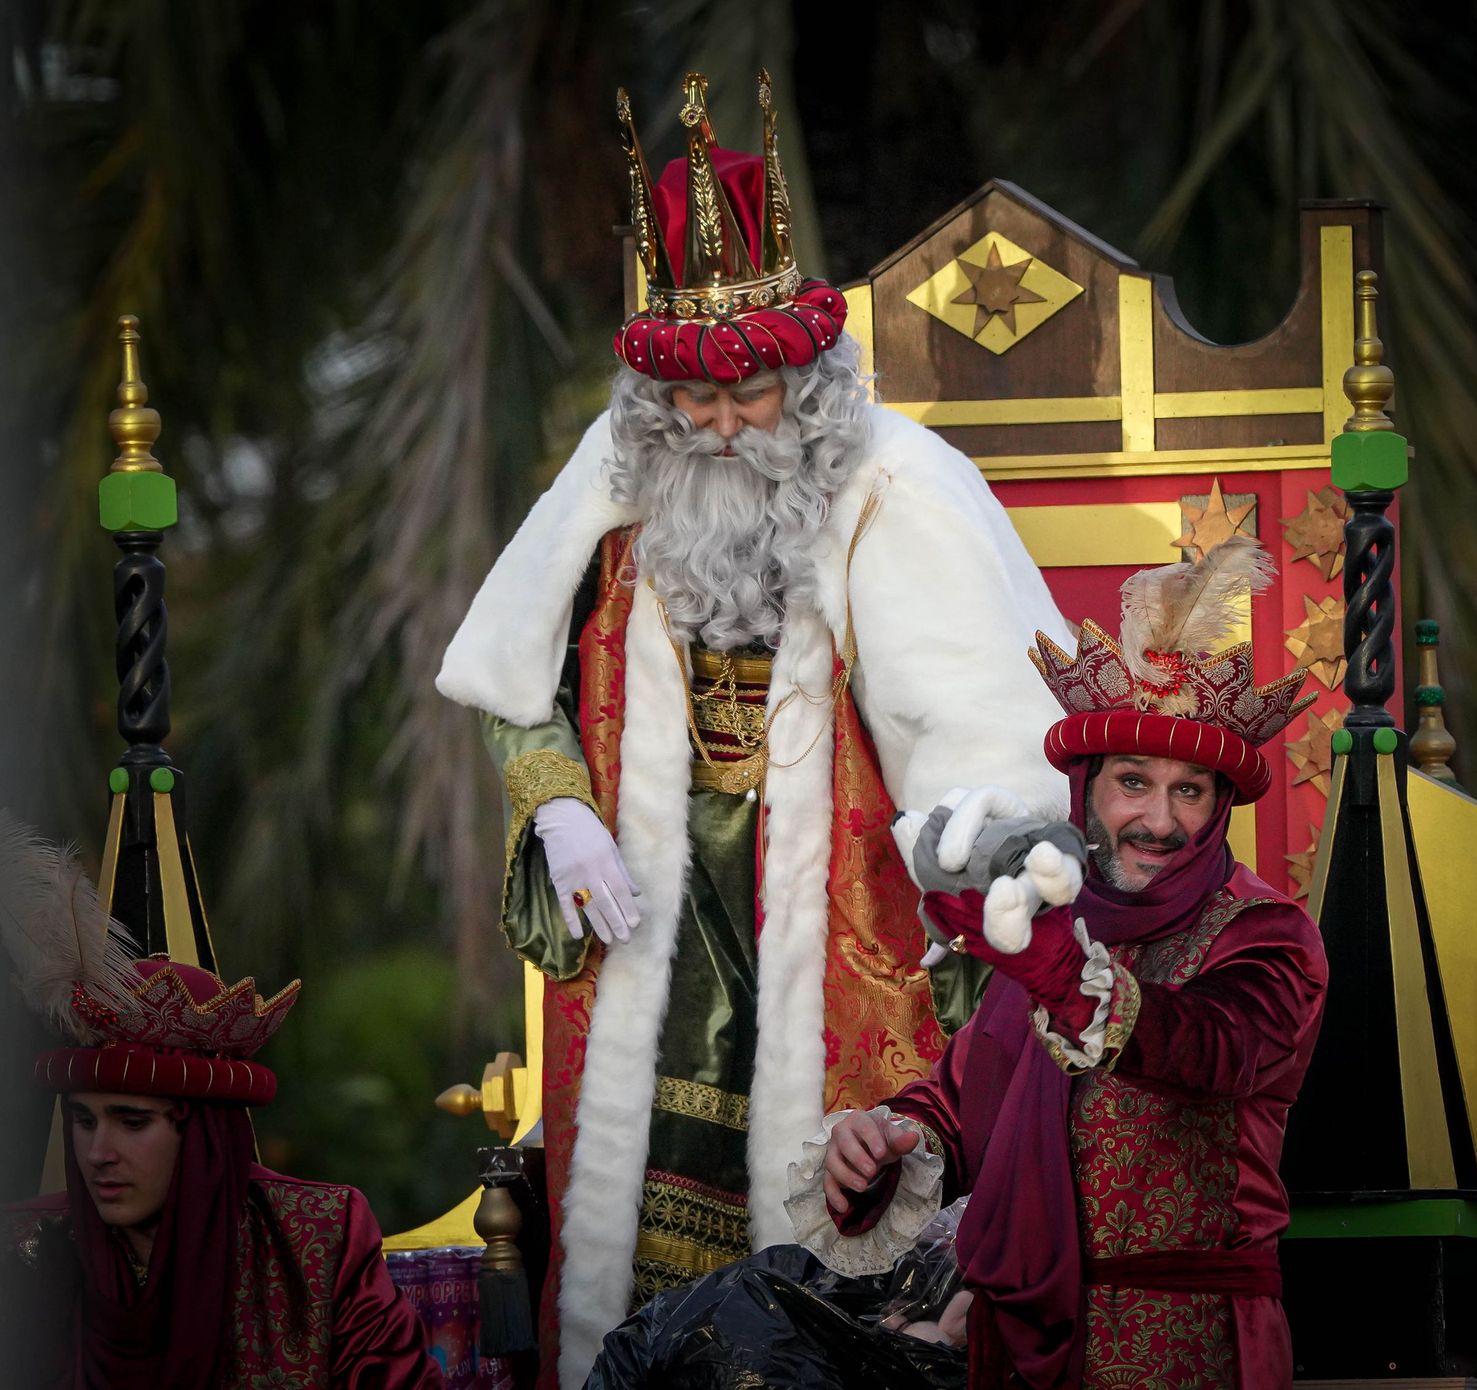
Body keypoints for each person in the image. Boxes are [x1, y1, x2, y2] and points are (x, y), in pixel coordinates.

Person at [435, 71, 1072, 1386]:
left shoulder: (901, 490)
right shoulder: (617, 484)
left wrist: (980, 862)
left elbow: (976, 733)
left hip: (852, 937)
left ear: (809, 379)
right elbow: (513, 680)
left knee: (835, 1277)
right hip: (657, 943)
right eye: (692, 406)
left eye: (749, 396)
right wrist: (558, 809)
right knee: (652, 1290)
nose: (720, 429)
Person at [789, 537, 1329, 1388]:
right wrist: (890, 1140)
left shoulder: (1266, 934)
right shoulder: (1055, 924)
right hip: (1021, 1354)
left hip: (1190, 1349)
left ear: (1220, 806)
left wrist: (1073, 990)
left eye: (1188, 790)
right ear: (1088, 791)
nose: (1157, 818)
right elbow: (965, 1101)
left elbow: (1214, 1048)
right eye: (1133, 783)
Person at [0, 828, 446, 1390]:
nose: (98, 1153)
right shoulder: (23, 1250)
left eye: (132, 1122)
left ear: (203, 1133)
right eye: (84, 1122)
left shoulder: (318, 1239)